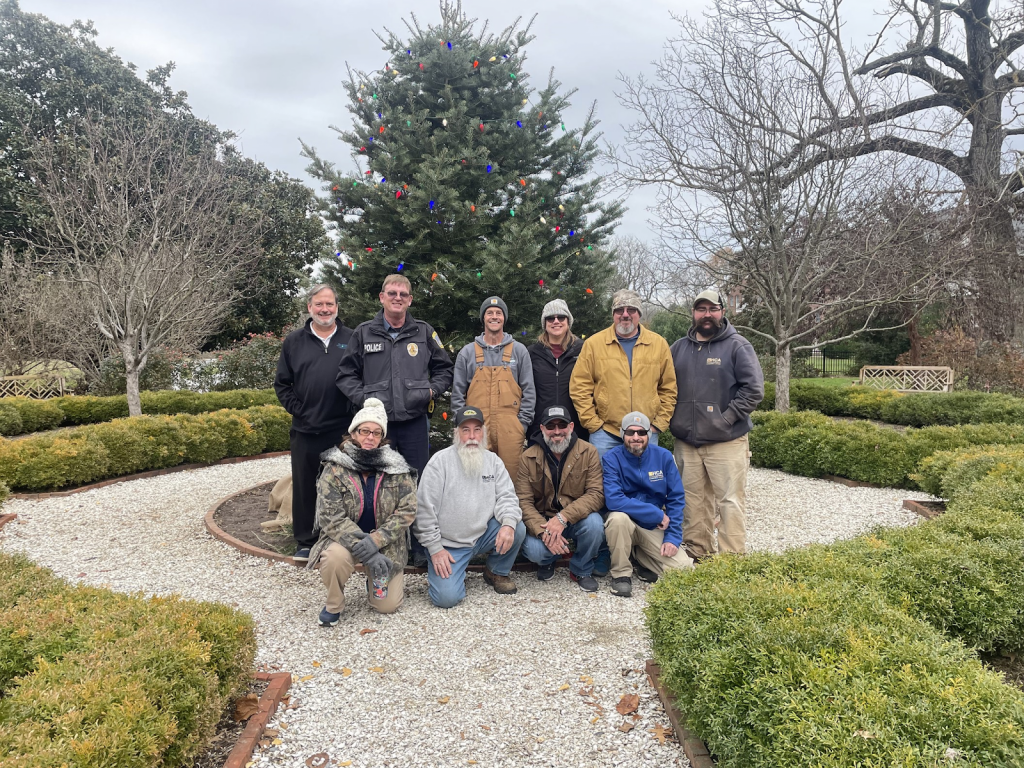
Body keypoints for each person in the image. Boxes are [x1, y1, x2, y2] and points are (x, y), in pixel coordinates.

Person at [669, 289, 764, 559]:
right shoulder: (678, 348)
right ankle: (698, 553)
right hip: (687, 443)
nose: (707, 315)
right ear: (693, 313)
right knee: (693, 503)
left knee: (730, 502)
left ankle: (732, 559)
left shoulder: (737, 345)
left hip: (727, 441)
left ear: (722, 311)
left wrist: (727, 418)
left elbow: (754, 389)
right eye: (701, 309)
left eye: (712, 309)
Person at [308, 398, 417, 626]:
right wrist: (366, 548)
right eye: (365, 431)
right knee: (333, 558)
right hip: (345, 541)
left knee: (387, 607)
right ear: (354, 433)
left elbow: (407, 510)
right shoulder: (334, 467)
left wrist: (376, 541)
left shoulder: (396, 467)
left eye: (376, 433)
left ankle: (373, 579)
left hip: (385, 544)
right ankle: (334, 604)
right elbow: (331, 517)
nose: (370, 437)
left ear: (382, 438)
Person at [336, 274, 454, 478]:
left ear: (410, 300)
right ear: (382, 297)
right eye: (392, 293)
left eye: (403, 294)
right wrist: (365, 400)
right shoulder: (364, 333)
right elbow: (346, 375)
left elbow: (445, 369)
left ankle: (415, 512)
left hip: (415, 421)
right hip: (377, 425)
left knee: (417, 479)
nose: (397, 298)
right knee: (375, 479)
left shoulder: (424, 331)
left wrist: (431, 391)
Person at [413, 405, 526, 608]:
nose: (472, 436)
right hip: (448, 545)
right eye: (466, 430)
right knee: (446, 599)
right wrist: (435, 549)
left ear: (483, 432)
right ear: (456, 433)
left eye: (477, 429)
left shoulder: (493, 461)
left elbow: (507, 498)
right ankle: (454, 574)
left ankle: (495, 572)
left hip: (482, 535)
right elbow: (423, 511)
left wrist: (508, 524)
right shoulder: (439, 463)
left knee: (517, 528)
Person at [274, 284, 353, 561]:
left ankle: (340, 537)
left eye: (329, 304)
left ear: (336, 307)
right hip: (305, 429)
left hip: (343, 432)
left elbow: (361, 379)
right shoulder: (294, 341)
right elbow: (282, 384)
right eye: (319, 304)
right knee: (306, 486)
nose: (324, 309)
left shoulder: (352, 339)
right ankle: (306, 541)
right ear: (309, 307)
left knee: (343, 486)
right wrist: (300, 410)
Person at [570, 288, 677, 460]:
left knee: (645, 484)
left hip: (645, 434)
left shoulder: (658, 344)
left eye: (631, 310)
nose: (625, 314)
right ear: (613, 314)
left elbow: (669, 388)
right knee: (604, 484)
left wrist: (658, 424)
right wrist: (593, 424)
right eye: (619, 310)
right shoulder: (594, 344)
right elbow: (579, 387)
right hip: (606, 435)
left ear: (639, 314)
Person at [602, 411, 693, 597]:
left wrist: (672, 537)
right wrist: (656, 514)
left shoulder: (664, 457)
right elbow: (614, 500)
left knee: (684, 571)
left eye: (641, 432)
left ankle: (639, 557)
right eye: (630, 432)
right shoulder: (611, 458)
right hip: (626, 521)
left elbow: (676, 498)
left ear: (648, 435)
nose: (636, 437)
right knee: (617, 519)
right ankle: (621, 575)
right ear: (622, 434)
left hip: (651, 526)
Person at [515, 405, 605, 592]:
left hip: (575, 518)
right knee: (535, 551)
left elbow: (596, 494)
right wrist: (544, 532)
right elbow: (523, 501)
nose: (557, 431)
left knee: (595, 525)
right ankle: (548, 560)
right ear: (542, 429)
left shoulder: (589, 452)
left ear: (571, 427)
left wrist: (563, 518)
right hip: (543, 521)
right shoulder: (528, 457)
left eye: (562, 425)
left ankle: (581, 568)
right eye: (551, 426)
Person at [450, 296, 536, 481]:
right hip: (477, 428)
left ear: (504, 318)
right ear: (483, 318)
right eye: (490, 313)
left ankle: (510, 511)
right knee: (476, 479)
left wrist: (522, 425)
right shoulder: (467, 353)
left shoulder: (519, 351)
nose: (494, 316)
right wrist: (463, 426)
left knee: (512, 481)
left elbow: (529, 391)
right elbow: (457, 394)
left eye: (498, 313)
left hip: (511, 429)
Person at [526, 299, 588, 444]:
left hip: (576, 427)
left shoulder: (584, 349)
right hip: (541, 428)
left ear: (568, 321)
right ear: (544, 323)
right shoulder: (532, 352)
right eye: (550, 318)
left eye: (561, 317)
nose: (556, 321)